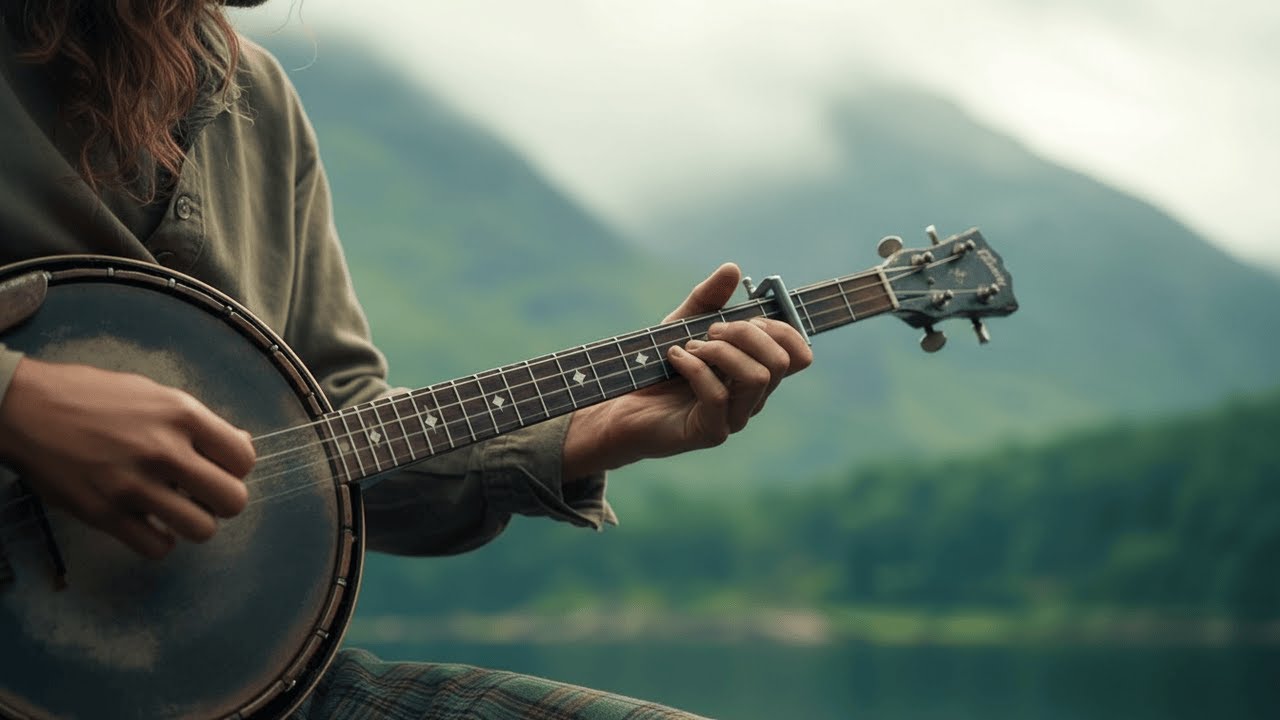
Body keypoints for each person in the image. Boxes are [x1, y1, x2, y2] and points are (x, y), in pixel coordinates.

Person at [0, 1, 812, 718]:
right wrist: (18, 398)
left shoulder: (260, 101)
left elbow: (328, 439)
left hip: (247, 692)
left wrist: (588, 432)